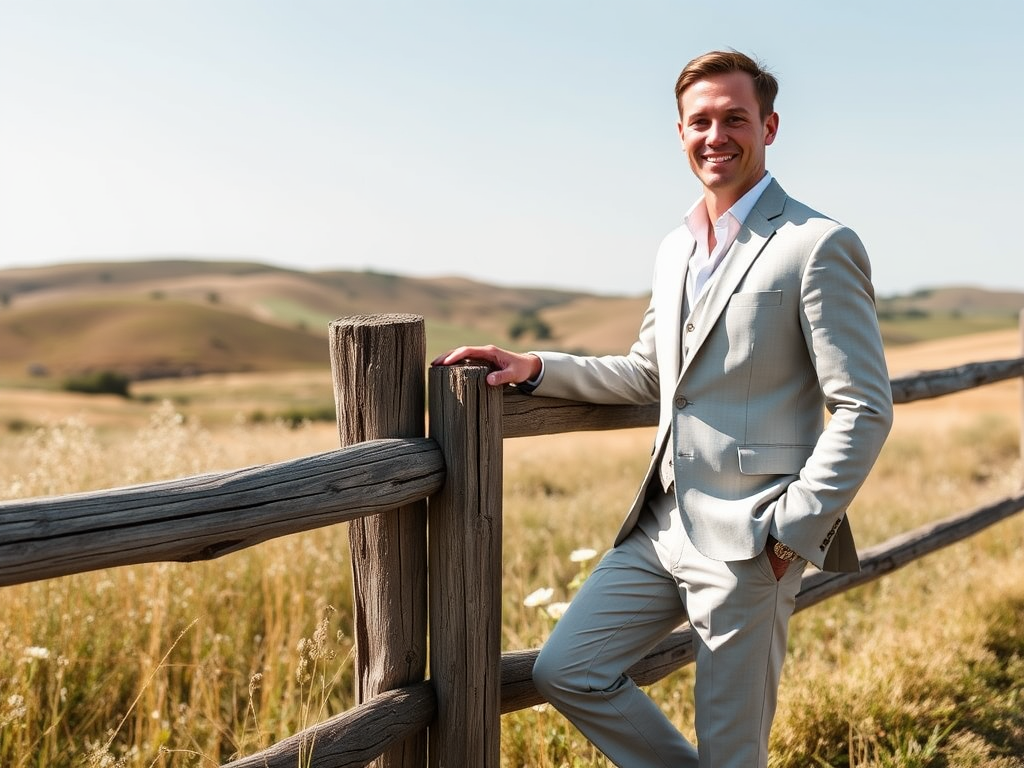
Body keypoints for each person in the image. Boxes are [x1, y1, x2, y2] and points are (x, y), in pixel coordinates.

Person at [431, 49, 893, 768]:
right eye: (700, 121)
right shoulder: (676, 249)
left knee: (732, 753)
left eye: (735, 119)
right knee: (567, 670)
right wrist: (535, 367)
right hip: (658, 527)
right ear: (679, 133)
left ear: (768, 126)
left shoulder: (816, 245)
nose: (717, 135)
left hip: (753, 540)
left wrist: (791, 533)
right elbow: (649, 372)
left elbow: (864, 405)